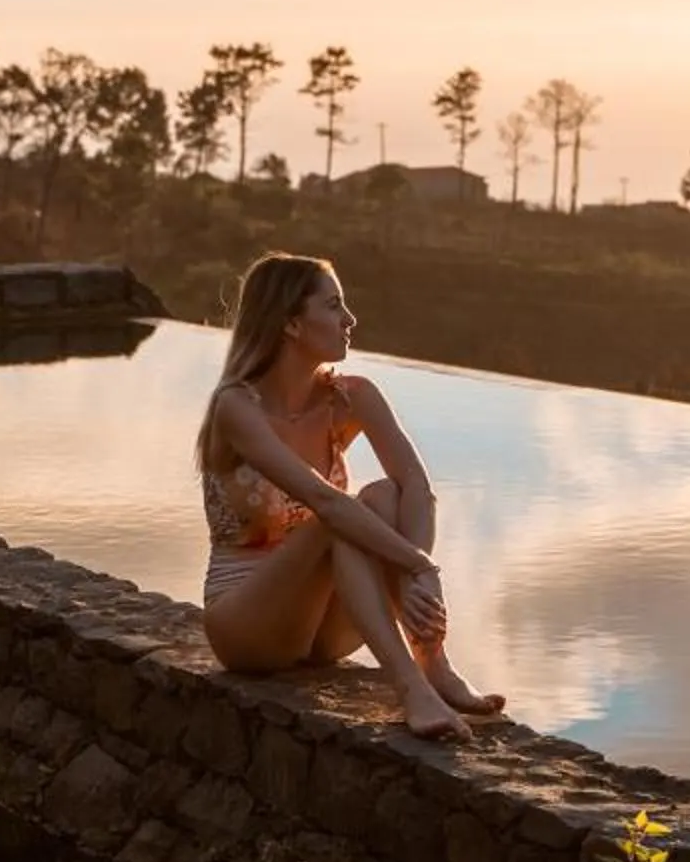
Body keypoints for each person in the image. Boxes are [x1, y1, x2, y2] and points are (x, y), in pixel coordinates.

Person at [196, 253, 504, 741]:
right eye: (334, 305)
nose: (350, 319)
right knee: (338, 518)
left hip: (325, 629)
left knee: (384, 495)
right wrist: (420, 565)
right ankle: (411, 689)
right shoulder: (236, 406)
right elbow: (328, 505)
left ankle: (433, 662)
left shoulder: (352, 396)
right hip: (248, 625)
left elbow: (416, 488)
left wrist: (414, 578)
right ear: (291, 323)